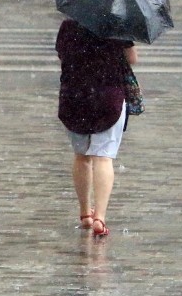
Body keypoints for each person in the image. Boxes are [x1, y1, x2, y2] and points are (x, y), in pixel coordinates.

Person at [55, 18, 137, 237]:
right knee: (103, 157)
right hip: (107, 97)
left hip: (74, 97)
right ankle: (100, 216)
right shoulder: (118, 24)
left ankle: (85, 214)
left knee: (81, 156)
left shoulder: (68, 25)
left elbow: (62, 54)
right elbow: (132, 58)